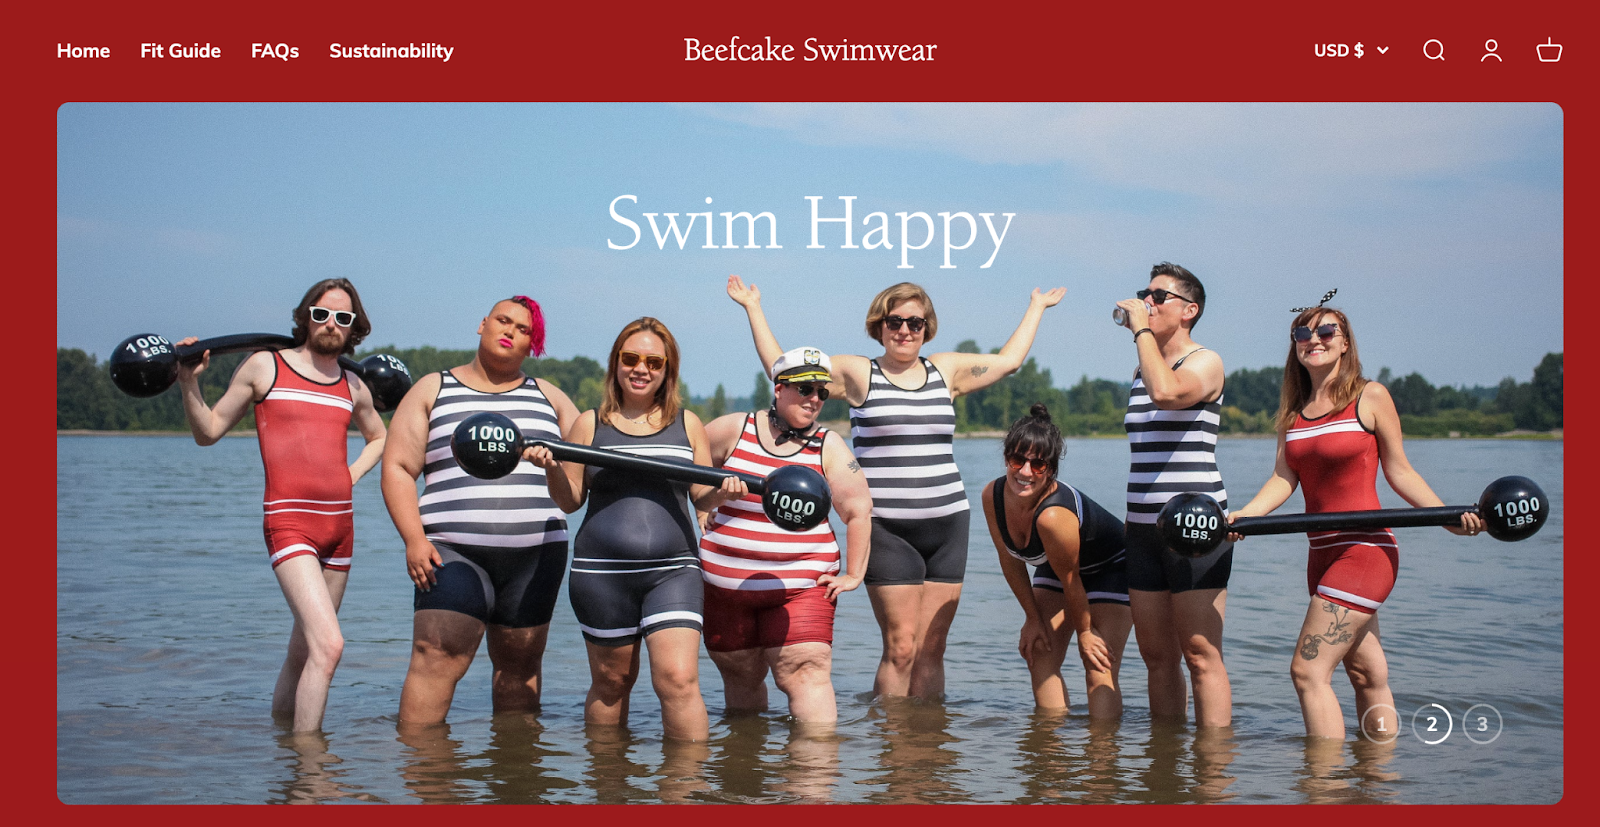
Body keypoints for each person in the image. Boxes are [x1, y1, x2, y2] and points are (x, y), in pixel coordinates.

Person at [729, 274, 1065, 700]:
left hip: (947, 524)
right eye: (895, 321)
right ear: (879, 325)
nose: (905, 330)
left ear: (927, 328)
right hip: (887, 528)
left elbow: (1008, 361)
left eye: (915, 323)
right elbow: (785, 370)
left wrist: (1036, 307)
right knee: (902, 648)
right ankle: (892, 753)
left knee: (933, 649)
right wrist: (753, 308)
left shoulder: (945, 370)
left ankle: (927, 754)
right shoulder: (857, 372)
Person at [1227, 298, 1483, 739]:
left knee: (1307, 672)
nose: (1314, 341)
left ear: (1344, 343)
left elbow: (1399, 469)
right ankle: (1378, 778)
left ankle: (1323, 787)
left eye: (1326, 332)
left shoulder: (1370, 396)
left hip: (1365, 553)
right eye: (1302, 334)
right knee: (1366, 676)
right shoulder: (1293, 413)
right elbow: (1283, 479)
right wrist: (1243, 517)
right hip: (1320, 556)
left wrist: (1446, 516)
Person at [174, 278, 387, 732]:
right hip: (289, 525)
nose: (331, 324)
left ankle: (283, 751)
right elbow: (208, 431)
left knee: (305, 650)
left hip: (341, 531)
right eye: (322, 314)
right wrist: (188, 383)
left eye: (343, 318)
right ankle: (311, 771)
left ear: (354, 329)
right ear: (305, 315)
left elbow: (380, 436)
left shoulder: (353, 384)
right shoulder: (264, 367)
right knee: (329, 646)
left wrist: (350, 474)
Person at [381, 296, 580, 725]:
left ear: (532, 343)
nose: (510, 331)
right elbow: (398, 467)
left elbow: (587, 473)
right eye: (502, 321)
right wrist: (414, 539)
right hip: (451, 551)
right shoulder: (434, 388)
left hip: (536, 555)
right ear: (482, 324)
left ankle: (515, 776)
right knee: (436, 656)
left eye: (523, 329)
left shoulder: (551, 398)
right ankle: (426, 778)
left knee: (520, 670)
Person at [553, 317, 744, 740]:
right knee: (611, 684)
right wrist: (550, 467)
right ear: (616, 364)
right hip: (601, 576)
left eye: (654, 362)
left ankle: (684, 795)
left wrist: (723, 494)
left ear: (667, 371)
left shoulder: (688, 423)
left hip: (674, 571)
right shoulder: (589, 424)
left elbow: (701, 496)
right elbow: (569, 501)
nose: (641, 369)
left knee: (678, 680)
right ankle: (610, 792)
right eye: (631, 358)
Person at [698, 346, 873, 724]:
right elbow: (689, 473)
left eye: (823, 393)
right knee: (740, 676)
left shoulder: (829, 446)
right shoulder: (732, 429)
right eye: (805, 389)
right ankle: (744, 774)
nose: (815, 399)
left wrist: (854, 574)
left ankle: (814, 777)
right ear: (778, 388)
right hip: (727, 587)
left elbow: (858, 509)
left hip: (802, 585)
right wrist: (703, 506)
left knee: (805, 672)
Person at [1115, 261, 1232, 727]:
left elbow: (1168, 394)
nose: (1146, 303)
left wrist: (1140, 331)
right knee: (1156, 656)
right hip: (1142, 529)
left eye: (1158, 296)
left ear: (1189, 310)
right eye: (1144, 294)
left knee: (1200, 654)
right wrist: (1144, 337)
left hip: (1195, 528)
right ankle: (1165, 772)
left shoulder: (1204, 361)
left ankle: (1211, 777)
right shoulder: (1142, 369)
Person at [980, 403, 1132, 719]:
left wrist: (1086, 632)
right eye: (1017, 460)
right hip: (1060, 566)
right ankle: (1051, 753)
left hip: (1111, 567)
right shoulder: (991, 496)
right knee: (1039, 651)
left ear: (1051, 469)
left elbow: (1072, 580)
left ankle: (1102, 759)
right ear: (1006, 458)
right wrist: (1032, 617)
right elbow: (1010, 561)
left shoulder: (1053, 516)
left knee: (1097, 662)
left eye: (1038, 465)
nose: (1024, 472)